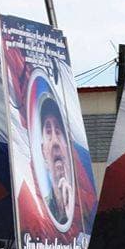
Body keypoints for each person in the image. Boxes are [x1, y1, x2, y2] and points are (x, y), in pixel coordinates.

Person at [38, 96, 73, 225]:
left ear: (68, 149)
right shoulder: (41, 209)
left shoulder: (83, 209)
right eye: (48, 132)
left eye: (58, 131)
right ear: (43, 152)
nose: (55, 142)